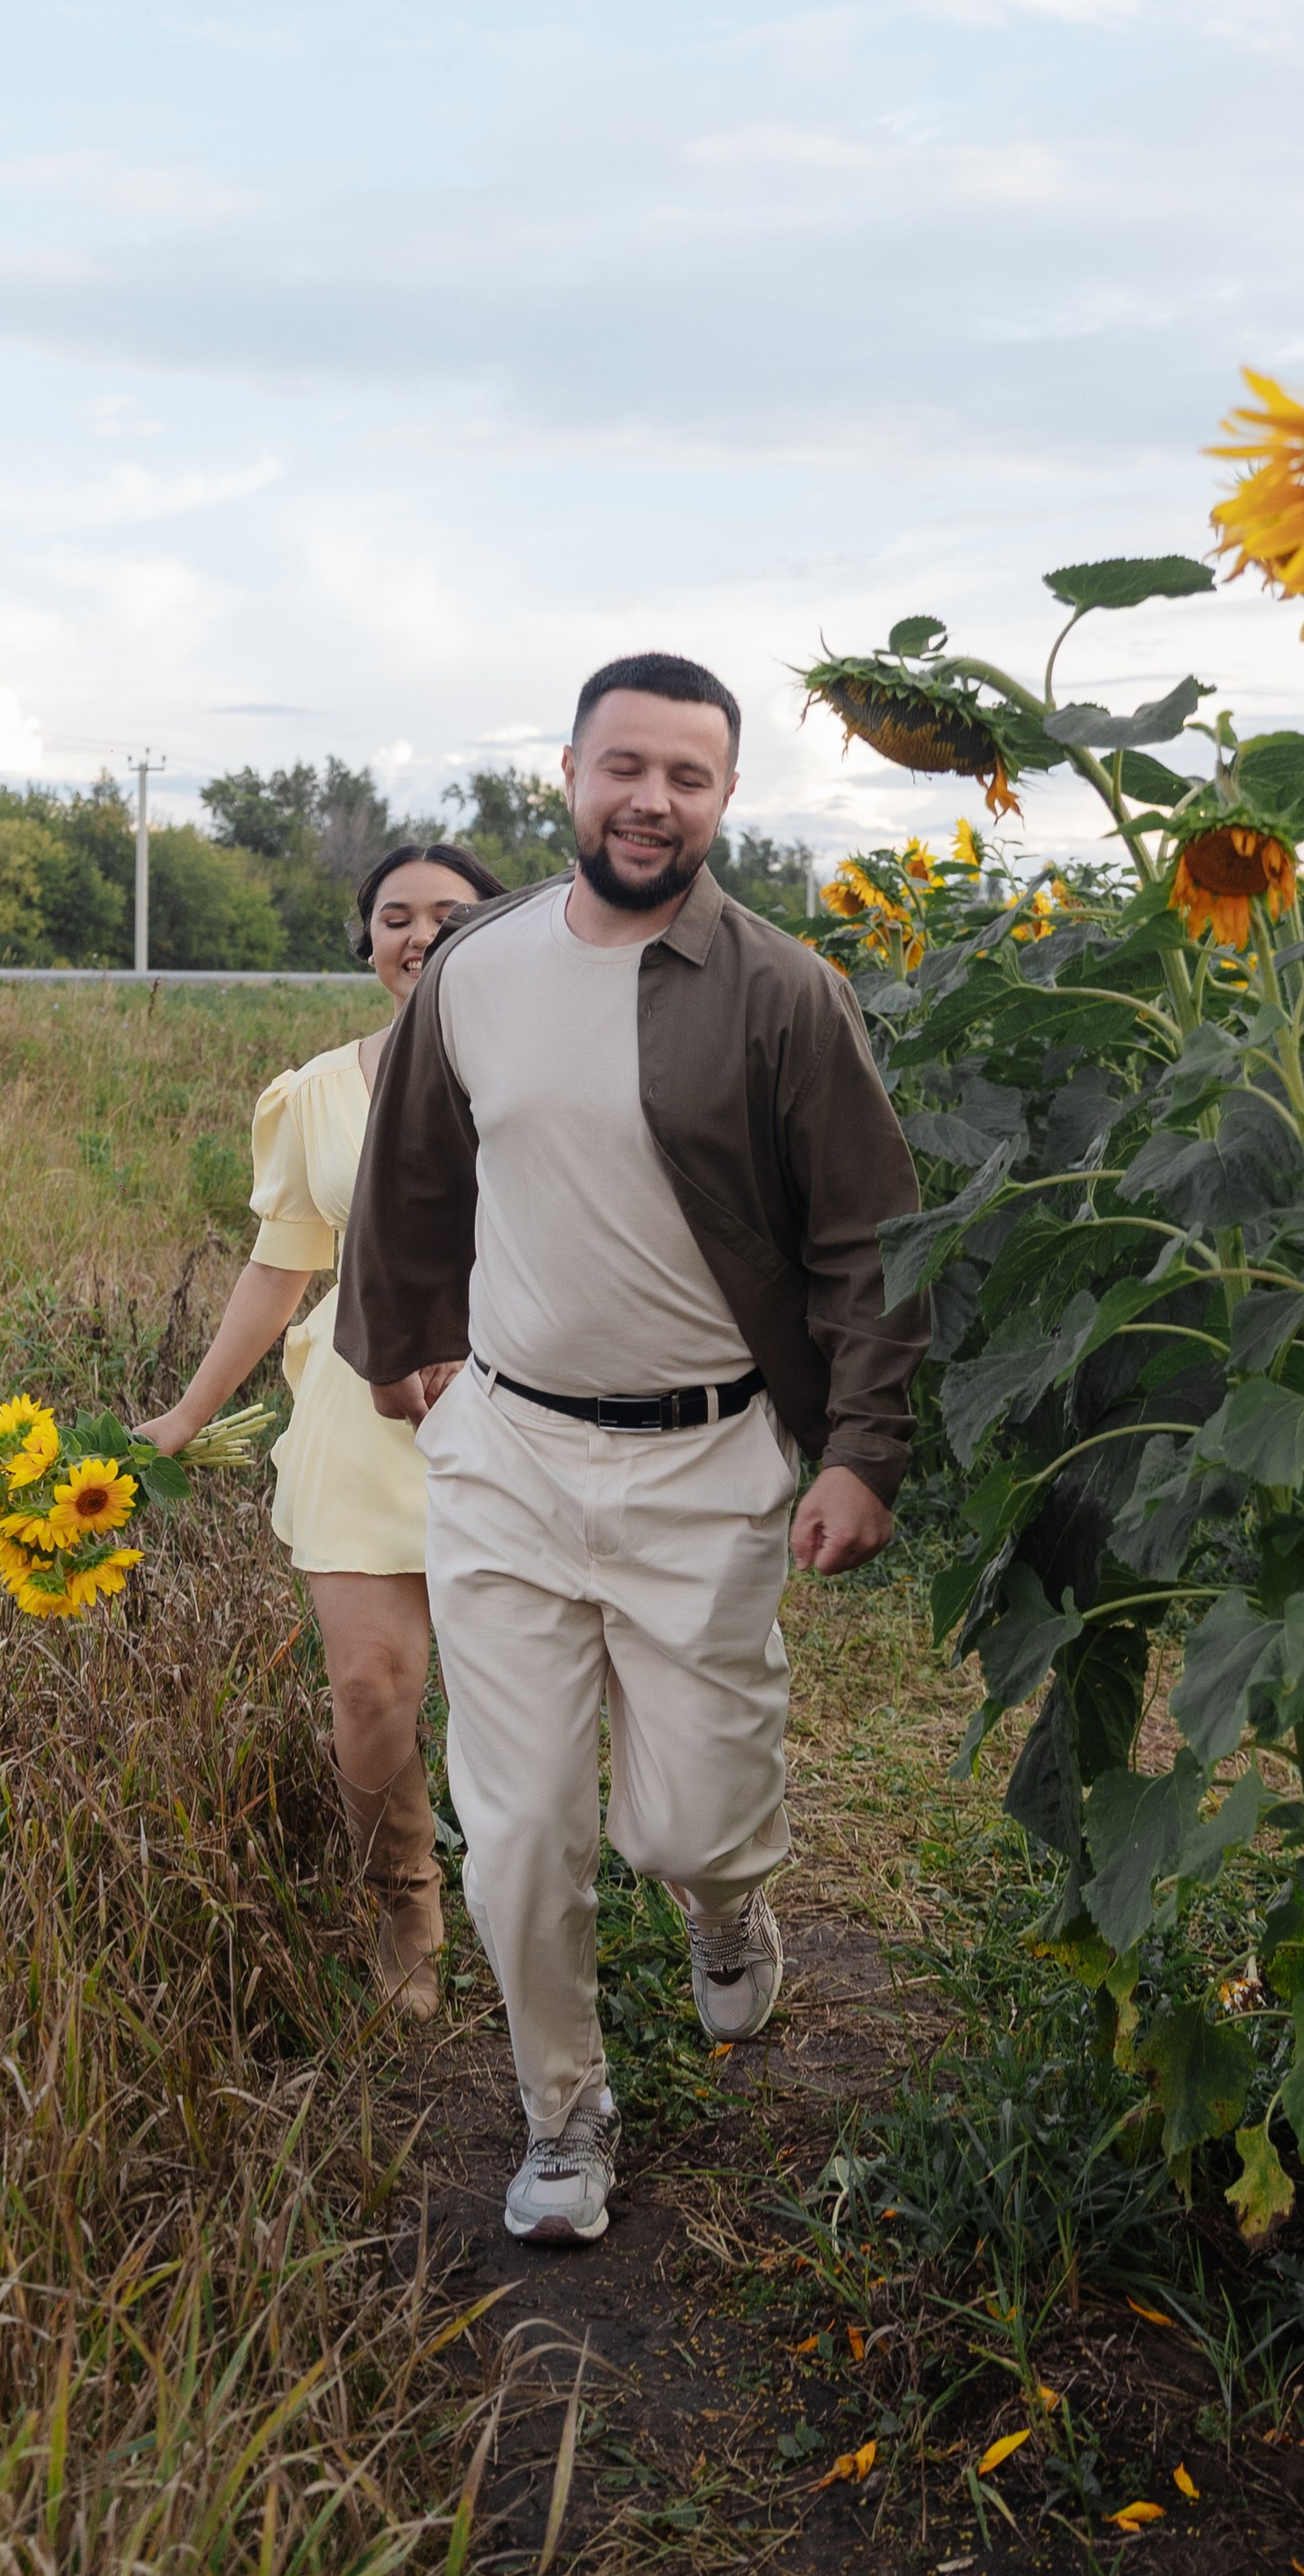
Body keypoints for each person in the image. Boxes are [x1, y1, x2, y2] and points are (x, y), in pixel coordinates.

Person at [335, 651, 927, 2245]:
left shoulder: (784, 992)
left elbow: (870, 1238)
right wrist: (408, 1360)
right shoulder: (481, 968)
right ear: (573, 774)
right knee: (521, 1834)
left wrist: (864, 1449)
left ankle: (728, 1909)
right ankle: (562, 2110)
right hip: (509, 1458)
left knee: (684, 1822)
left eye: (688, 775)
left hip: (705, 1461)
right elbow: (409, 1179)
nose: (651, 801)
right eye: (625, 768)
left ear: (725, 798)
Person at [138, 841, 503, 2014]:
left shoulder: (554, 1076)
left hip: (524, 1398)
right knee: (372, 1683)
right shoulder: (317, 1093)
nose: (419, 934)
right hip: (360, 1398)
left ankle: (536, 1890)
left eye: (450, 913)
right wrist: (190, 1415)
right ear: (367, 942)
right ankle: (401, 1891)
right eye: (395, 915)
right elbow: (279, 1267)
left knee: (517, 1688)